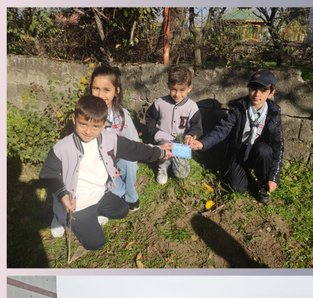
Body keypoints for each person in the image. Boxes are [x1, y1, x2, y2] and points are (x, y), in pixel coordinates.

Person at [41, 95, 171, 250]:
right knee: (96, 243)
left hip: (100, 193)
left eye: (95, 126)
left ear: (103, 125)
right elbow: (49, 174)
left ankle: (94, 213)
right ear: (74, 120)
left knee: (122, 210)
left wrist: (159, 152)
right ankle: (60, 215)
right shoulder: (62, 148)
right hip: (77, 204)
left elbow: (135, 149)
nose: (88, 131)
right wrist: (62, 195)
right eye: (83, 124)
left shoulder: (110, 139)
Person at [190, 69, 283, 204]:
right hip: (238, 152)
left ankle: (262, 185)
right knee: (238, 188)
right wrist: (203, 143)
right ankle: (242, 173)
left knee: (265, 150)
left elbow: (278, 145)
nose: (256, 94)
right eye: (253, 89)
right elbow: (222, 130)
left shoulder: (273, 113)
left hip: (258, 152)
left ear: (271, 92)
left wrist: (273, 177)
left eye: (263, 90)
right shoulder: (239, 108)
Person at [89, 64, 141, 210]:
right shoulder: (85, 114)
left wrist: (114, 165)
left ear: (116, 91)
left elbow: (133, 144)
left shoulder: (122, 116)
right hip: (97, 164)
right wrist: (107, 167)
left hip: (119, 160)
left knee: (129, 162)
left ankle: (131, 196)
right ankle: (115, 190)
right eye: (96, 88)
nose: (100, 95)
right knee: (108, 190)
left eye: (106, 90)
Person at [145, 64, 202, 185]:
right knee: (164, 149)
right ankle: (162, 166)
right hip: (163, 140)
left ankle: (174, 161)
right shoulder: (159, 103)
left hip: (181, 143)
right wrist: (156, 134)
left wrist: (191, 134)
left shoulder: (192, 107)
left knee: (182, 174)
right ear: (168, 86)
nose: (177, 94)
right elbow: (150, 119)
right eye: (173, 89)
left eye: (182, 90)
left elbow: (197, 127)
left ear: (189, 88)